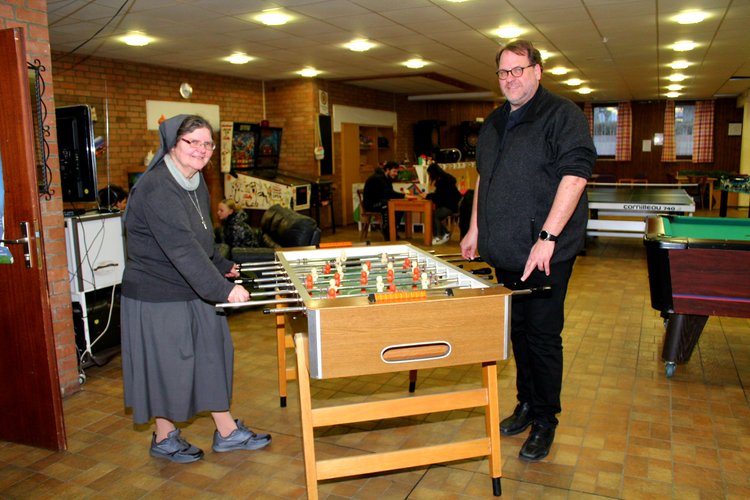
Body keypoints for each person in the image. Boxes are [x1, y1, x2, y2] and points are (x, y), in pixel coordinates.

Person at [460, 40, 596, 462]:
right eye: (503, 72)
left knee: (541, 337)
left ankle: (545, 420)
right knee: (516, 331)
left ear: (538, 70)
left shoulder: (562, 115)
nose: (510, 79)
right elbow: (486, 177)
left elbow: (575, 177)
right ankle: (524, 403)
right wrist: (475, 227)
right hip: (504, 250)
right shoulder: (495, 121)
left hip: (545, 252)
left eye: (518, 70)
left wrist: (549, 237)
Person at [120, 114, 271, 464]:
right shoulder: (157, 187)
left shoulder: (195, 182)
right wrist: (223, 290)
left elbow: (201, 239)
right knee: (167, 366)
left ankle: (228, 432)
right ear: (174, 144)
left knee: (211, 355)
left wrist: (221, 267)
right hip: (157, 295)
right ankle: (164, 436)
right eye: (193, 142)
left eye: (207, 144)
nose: (201, 150)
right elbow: (181, 249)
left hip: (191, 285)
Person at [362, 161, 405, 240]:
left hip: (380, 202)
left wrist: (402, 197)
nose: (396, 174)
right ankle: (386, 229)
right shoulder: (379, 178)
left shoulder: (386, 178)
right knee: (388, 204)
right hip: (371, 204)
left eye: (397, 172)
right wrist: (404, 195)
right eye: (394, 171)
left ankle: (393, 229)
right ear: (387, 170)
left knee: (399, 206)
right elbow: (387, 193)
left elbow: (390, 193)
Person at [424, 163, 462, 245]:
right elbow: (440, 195)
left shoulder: (443, 181)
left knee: (435, 216)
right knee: (433, 215)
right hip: (452, 204)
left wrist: (427, 195)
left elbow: (439, 196)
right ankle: (445, 233)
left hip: (451, 206)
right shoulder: (446, 179)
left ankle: (439, 236)